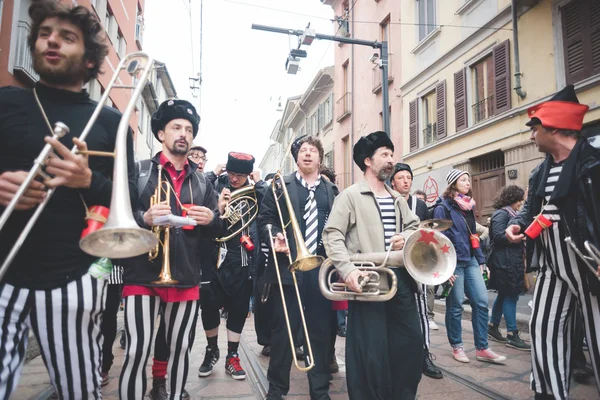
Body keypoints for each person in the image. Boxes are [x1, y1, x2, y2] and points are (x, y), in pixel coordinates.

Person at [0, 2, 133, 397]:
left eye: (67, 37)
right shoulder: (5, 103)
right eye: (44, 33)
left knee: (79, 389)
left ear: (91, 60)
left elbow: (125, 206)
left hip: (74, 277)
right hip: (4, 269)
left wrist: (87, 178)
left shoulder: (111, 122)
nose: (52, 40)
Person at [120, 99, 225, 400]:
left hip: (185, 276)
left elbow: (219, 229)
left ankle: (177, 395)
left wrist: (211, 219)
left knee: (181, 349)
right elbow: (121, 216)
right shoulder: (140, 172)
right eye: (176, 127)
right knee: (137, 351)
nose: (183, 133)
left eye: (189, 129)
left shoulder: (204, 181)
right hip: (141, 274)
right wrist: (144, 218)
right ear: (161, 134)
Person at [505, 84, 600, 399]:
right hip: (551, 266)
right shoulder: (537, 174)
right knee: (543, 330)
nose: (531, 136)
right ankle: (547, 394)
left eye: (534, 129)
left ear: (554, 127)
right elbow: (532, 212)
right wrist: (517, 226)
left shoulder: (595, 164)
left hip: (591, 268)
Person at [323, 131, 423, 399]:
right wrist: (348, 270)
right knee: (370, 352)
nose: (391, 160)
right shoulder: (350, 196)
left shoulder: (397, 198)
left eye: (392, 154)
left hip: (401, 281)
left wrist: (408, 236)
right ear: (368, 160)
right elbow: (332, 235)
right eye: (385, 155)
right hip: (368, 282)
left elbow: (415, 227)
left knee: (410, 344)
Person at [258, 135, 337, 400]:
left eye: (312, 151)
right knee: (283, 331)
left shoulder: (330, 190)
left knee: (321, 331)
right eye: (303, 150)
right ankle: (277, 389)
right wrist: (275, 235)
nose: (307, 154)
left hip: (320, 270)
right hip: (288, 270)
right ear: (297, 157)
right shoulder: (280, 185)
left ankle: (320, 390)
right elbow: (265, 220)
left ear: (320, 158)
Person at [199, 152, 267, 380]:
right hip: (214, 256)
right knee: (208, 305)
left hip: (243, 258)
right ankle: (211, 351)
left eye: (240, 175)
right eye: (231, 173)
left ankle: (232, 356)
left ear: (248, 174)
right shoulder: (216, 184)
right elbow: (197, 188)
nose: (235, 179)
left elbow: (271, 205)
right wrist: (215, 176)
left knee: (238, 308)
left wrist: (259, 183)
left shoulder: (256, 191)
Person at [433, 169, 507, 364]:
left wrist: (482, 261)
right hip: (453, 263)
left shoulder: (468, 207)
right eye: (463, 180)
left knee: (481, 302)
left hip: (471, 260)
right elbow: (438, 239)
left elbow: (473, 236)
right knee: (455, 305)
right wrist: (445, 268)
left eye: (468, 180)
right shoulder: (443, 208)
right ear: (453, 184)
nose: (468, 183)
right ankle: (457, 346)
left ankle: (482, 348)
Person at [391, 163, 443, 380]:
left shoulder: (420, 205)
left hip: (416, 262)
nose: (405, 181)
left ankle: (424, 354)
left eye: (408, 177)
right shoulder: (387, 200)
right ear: (392, 181)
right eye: (401, 177)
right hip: (393, 263)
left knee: (421, 309)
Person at [486, 185, 530, 351]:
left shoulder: (511, 214)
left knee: (505, 294)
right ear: (512, 199)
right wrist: (516, 239)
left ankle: (493, 325)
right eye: (519, 199)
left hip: (510, 261)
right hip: (504, 262)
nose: (521, 203)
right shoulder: (501, 214)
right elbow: (497, 237)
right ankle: (512, 334)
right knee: (511, 295)